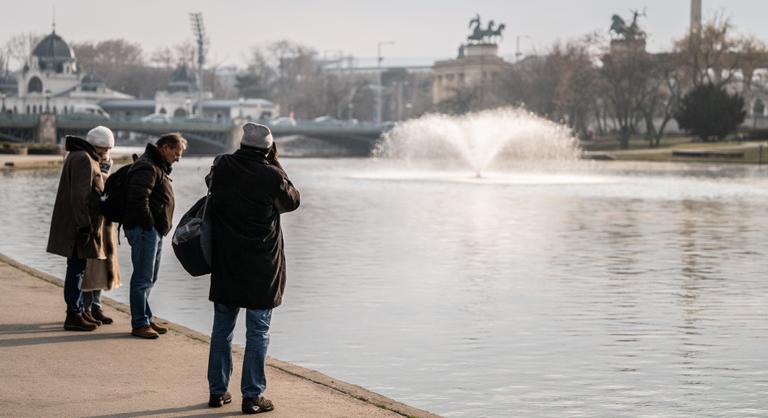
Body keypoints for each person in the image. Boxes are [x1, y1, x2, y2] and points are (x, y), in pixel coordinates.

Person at [205, 123, 300, 414]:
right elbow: (292, 201)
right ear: (269, 149)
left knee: (222, 328)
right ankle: (252, 396)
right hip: (261, 265)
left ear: (242, 145)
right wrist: (276, 163)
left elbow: (212, 184)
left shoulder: (222, 166)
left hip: (227, 260)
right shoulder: (272, 176)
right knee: (258, 330)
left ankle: (218, 391)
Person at [46, 126, 115, 331]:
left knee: (77, 269)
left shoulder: (78, 156)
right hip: (79, 226)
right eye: (104, 150)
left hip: (76, 224)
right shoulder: (84, 159)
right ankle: (73, 314)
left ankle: (78, 312)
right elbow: (80, 196)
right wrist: (85, 227)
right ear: (97, 146)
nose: (106, 154)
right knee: (76, 270)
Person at [123, 133, 187, 339]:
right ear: (165, 147)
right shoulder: (148, 166)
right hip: (145, 231)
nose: (178, 158)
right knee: (142, 278)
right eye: (176, 153)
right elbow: (138, 198)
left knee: (149, 278)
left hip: (153, 231)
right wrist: (150, 225)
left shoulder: (156, 165)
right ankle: (140, 323)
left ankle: (146, 318)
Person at [80, 151, 121, 325]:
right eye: (103, 149)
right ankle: (86, 309)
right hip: (91, 227)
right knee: (90, 270)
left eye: (107, 150)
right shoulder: (87, 166)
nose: (105, 155)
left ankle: (96, 307)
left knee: (102, 269)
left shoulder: (107, 168)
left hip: (105, 227)